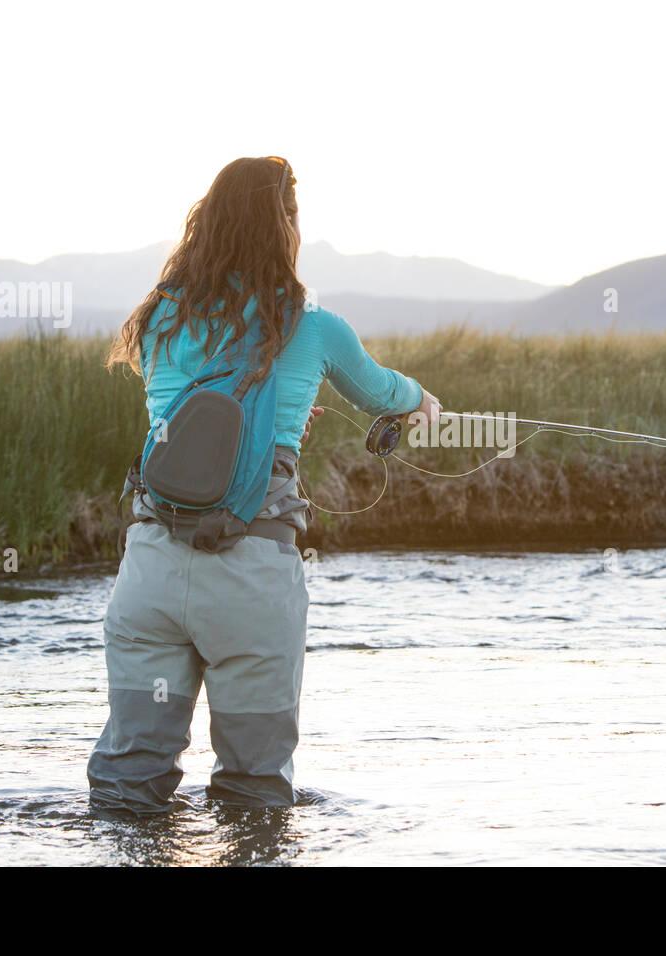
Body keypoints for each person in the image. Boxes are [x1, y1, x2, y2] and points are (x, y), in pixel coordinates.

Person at [87, 156, 441, 812]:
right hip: (251, 574)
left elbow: (199, 417)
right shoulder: (312, 324)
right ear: (287, 227)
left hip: (150, 571)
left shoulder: (160, 317)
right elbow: (380, 390)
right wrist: (421, 401)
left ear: (207, 223)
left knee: (127, 780)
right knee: (254, 790)